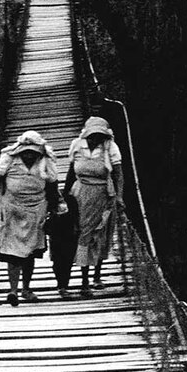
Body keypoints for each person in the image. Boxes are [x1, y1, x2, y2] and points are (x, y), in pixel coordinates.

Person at [0, 129, 59, 306]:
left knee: (30, 251)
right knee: (12, 252)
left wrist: (54, 209)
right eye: (26, 152)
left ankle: (26, 289)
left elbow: (53, 186)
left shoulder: (46, 160)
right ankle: (13, 290)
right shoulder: (9, 159)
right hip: (12, 212)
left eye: (33, 153)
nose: (29, 156)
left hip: (36, 211)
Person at [63, 116, 123, 294]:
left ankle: (96, 275)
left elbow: (118, 175)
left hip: (103, 195)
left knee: (101, 235)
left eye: (98, 136)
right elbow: (71, 171)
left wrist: (119, 197)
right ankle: (84, 280)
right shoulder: (76, 145)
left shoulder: (110, 147)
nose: (94, 139)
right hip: (80, 194)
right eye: (92, 136)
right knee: (83, 235)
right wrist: (64, 195)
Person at [44, 188, 80, 298]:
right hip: (56, 232)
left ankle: (63, 285)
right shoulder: (50, 200)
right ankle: (61, 285)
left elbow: (76, 215)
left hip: (69, 231)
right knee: (58, 260)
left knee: (67, 260)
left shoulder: (70, 199)